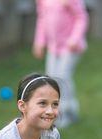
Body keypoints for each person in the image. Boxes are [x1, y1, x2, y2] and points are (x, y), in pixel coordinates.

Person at [33, 0, 88, 128]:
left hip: (70, 46)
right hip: (53, 47)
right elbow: (42, 19)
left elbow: (81, 17)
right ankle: (56, 111)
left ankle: (68, 111)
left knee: (63, 77)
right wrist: (40, 42)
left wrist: (75, 38)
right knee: (51, 80)